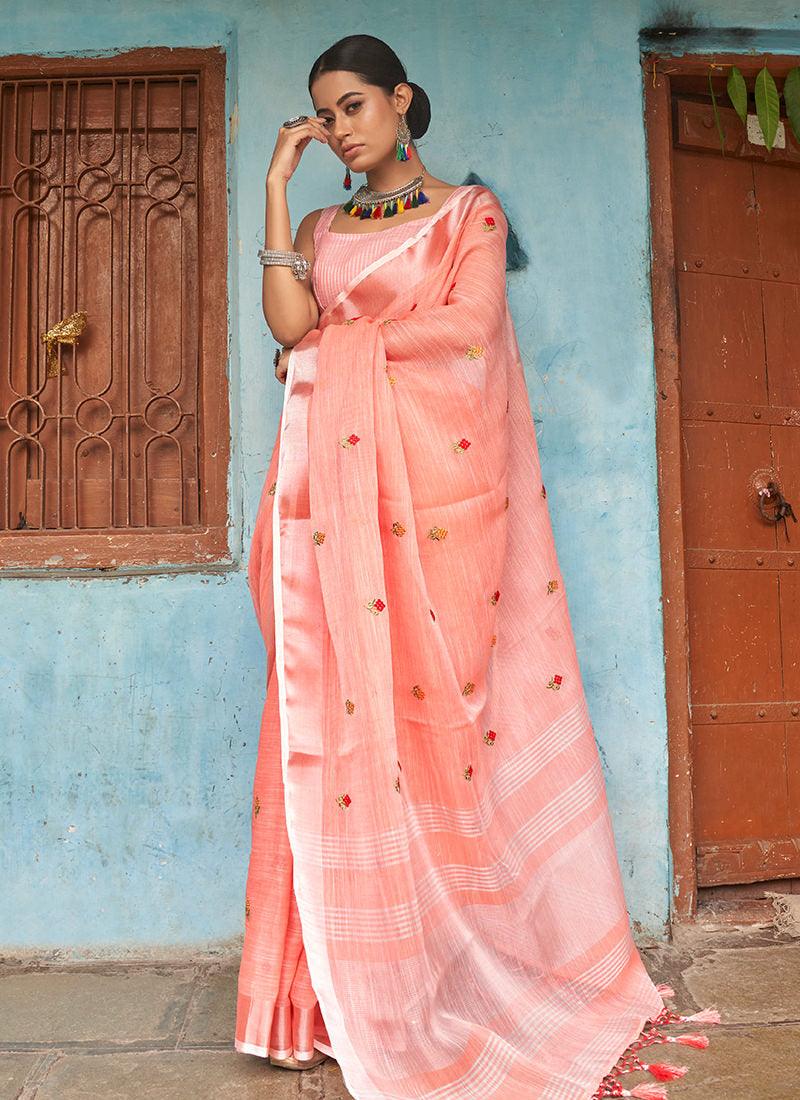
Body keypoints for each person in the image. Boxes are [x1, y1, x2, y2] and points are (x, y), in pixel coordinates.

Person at [234, 33, 720, 1100]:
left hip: (435, 514)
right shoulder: (318, 223)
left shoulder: (467, 216)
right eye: (322, 117)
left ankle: (434, 977)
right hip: (325, 514)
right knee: (326, 726)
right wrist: (276, 189)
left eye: (354, 106)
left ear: (402, 101)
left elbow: (465, 329)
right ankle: (318, 993)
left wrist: (330, 348)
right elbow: (286, 324)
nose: (339, 131)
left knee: (430, 729)